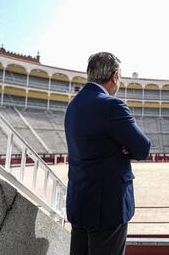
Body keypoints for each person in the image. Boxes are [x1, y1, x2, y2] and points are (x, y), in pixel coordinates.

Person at [65, 52, 151, 255]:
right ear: (114, 76)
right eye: (120, 76)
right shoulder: (112, 105)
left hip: (79, 202)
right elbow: (142, 148)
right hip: (108, 208)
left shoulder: (73, 105)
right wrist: (126, 146)